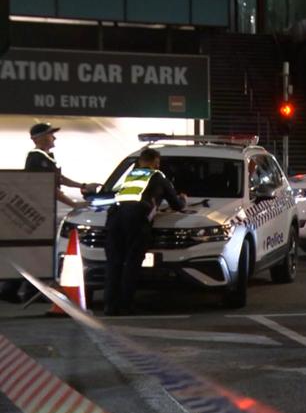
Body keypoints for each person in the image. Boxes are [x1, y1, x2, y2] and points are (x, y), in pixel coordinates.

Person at [0, 123, 100, 304]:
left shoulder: (46, 158)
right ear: (37, 139)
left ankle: (20, 289)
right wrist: (74, 204)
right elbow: (49, 187)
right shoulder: (37, 158)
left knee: (36, 252)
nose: (54, 138)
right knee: (37, 251)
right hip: (37, 213)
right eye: (49, 135)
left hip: (41, 212)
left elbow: (58, 179)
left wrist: (82, 186)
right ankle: (20, 289)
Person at [104, 148, 186, 315]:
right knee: (132, 263)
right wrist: (183, 199)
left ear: (140, 161)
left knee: (114, 263)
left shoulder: (130, 177)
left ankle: (110, 306)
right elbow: (176, 204)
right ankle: (126, 305)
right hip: (136, 221)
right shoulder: (158, 176)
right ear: (156, 162)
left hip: (114, 219)